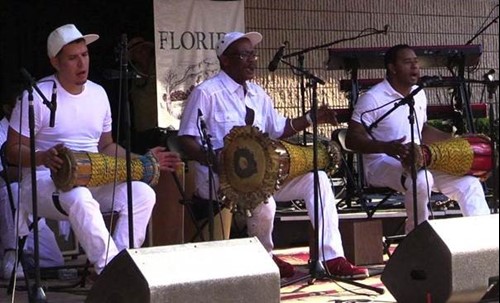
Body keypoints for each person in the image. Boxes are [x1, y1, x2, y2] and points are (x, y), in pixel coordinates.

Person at [178, 31, 369, 280]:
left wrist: (313, 117)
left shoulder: (258, 93)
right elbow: (185, 140)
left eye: (253, 55)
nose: (252, 60)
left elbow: (279, 128)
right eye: (244, 55)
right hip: (218, 179)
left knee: (318, 179)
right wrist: (216, 159)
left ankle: (330, 257)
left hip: (261, 176)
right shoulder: (206, 93)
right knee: (264, 198)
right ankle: (264, 258)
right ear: (225, 60)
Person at [5, 24, 182, 276]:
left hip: (92, 178)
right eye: (72, 58)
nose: (81, 64)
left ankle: (121, 263)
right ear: (55, 62)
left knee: (142, 193)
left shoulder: (98, 94)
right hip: (44, 182)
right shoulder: (36, 96)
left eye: (85, 55)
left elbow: (106, 146)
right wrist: (43, 157)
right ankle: (110, 272)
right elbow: (12, 150)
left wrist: (142, 160)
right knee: (80, 197)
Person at [345, 44, 491, 233]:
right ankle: (418, 237)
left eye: (416, 62)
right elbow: (352, 139)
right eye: (407, 62)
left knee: (469, 183)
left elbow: (422, 130)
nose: (415, 67)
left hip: (418, 160)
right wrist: (386, 147)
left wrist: (455, 142)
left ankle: (485, 244)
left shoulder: (419, 93)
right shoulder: (372, 98)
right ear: (392, 68)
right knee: (422, 179)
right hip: (380, 164)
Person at [0, 95, 64, 280]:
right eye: (19, 105)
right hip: (7, 196)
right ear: (7, 108)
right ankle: (12, 255)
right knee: (14, 191)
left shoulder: (34, 131)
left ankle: (23, 257)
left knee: (54, 262)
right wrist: (30, 167)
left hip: (31, 197)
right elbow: (3, 173)